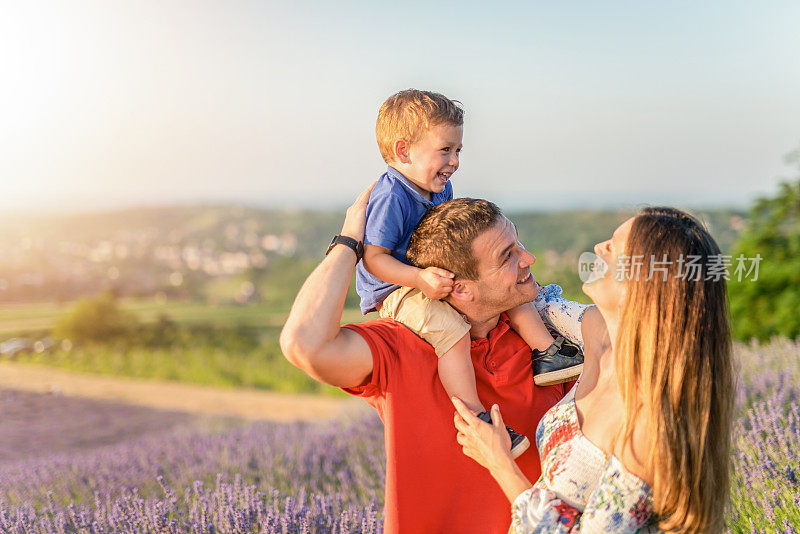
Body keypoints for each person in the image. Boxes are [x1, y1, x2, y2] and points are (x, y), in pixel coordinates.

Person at [281, 188, 587, 534]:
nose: (529, 258)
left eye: (519, 245)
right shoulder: (402, 347)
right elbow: (303, 344)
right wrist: (349, 242)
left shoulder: (548, 347)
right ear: (460, 289)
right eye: (507, 256)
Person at [453, 207, 735, 533]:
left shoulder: (648, 421)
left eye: (614, 246)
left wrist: (499, 462)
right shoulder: (598, 329)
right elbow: (534, 300)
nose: (599, 247)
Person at [357, 89, 583, 456]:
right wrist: (419, 279)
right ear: (403, 151)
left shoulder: (438, 187)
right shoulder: (392, 196)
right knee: (452, 332)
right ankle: (475, 417)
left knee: (509, 286)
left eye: (458, 151)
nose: (455, 161)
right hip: (396, 287)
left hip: (431, 271)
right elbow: (374, 259)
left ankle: (549, 354)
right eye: (445, 150)